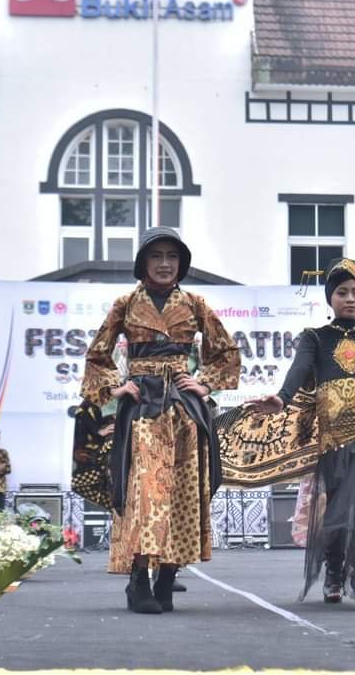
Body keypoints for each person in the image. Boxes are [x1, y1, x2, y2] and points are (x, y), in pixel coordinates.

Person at [82, 227, 240, 615]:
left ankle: (167, 577)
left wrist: (204, 384)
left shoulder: (196, 303)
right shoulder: (125, 303)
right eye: (157, 256)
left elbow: (228, 353)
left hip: (185, 411)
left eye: (173, 255)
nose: (166, 263)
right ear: (143, 262)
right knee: (145, 491)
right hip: (143, 411)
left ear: (182, 262)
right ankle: (138, 579)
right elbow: (96, 356)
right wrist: (117, 387)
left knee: (184, 492)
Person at [248, 258, 355, 612]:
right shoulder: (315, 339)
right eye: (342, 292)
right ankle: (335, 572)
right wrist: (281, 398)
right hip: (333, 438)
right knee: (337, 510)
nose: (351, 299)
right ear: (330, 298)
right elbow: (299, 370)